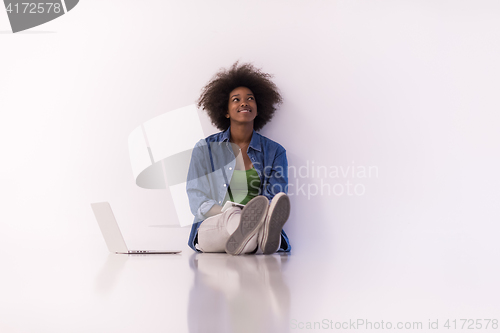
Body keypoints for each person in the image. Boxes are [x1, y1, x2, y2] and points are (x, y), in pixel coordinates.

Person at [186, 62, 291, 255]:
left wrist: (258, 214)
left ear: (258, 109)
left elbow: (275, 199)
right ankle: (261, 239)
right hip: (213, 227)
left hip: (256, 222)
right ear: (225, 111)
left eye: (250, 99)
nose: (244, 102)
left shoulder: (275, 152)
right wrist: (232, 213)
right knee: (233, 218)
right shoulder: (205, 149)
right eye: (236, 99)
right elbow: (197, 200)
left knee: (248, 235)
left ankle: (253, 238)